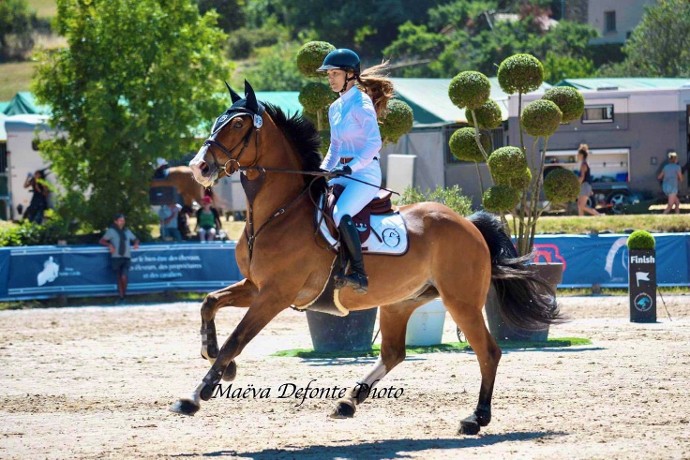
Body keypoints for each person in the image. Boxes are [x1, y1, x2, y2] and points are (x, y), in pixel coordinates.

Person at [317, 48, 394, 294]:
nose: (330, 78)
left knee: (340, 213)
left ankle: (359, 274)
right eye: (328, 74)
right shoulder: (335, 108)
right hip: (343, 172)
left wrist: (351, 166)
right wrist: (321, 171)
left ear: (351, 75)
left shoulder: (361, 104)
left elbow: (374, 143)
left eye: (335, 73)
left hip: (365, 173)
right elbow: (335, 147)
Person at [100, 213, 139, 303]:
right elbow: (102, 240)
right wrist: (109, 244)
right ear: (115, 221)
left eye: (123, 220)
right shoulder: (111, 231)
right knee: (118, 277)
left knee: (124, 276)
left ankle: (124, 295)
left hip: (126, 257)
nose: (123, 222)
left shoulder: (127, 231)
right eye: (121, 220)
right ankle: (122, 297)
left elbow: (135, 239)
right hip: (116, 257)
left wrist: (136, 243)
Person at [576, 144, 601, 217]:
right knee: (579, 205)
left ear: (581, 155)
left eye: (578, 154)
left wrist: (577, 185)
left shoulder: (583, 164)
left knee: (582, 206)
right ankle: (581, 220)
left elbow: (582, 177)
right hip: (585, 185)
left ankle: (599, 215)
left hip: (584, 186)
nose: (577, 156)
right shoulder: (584, 163)